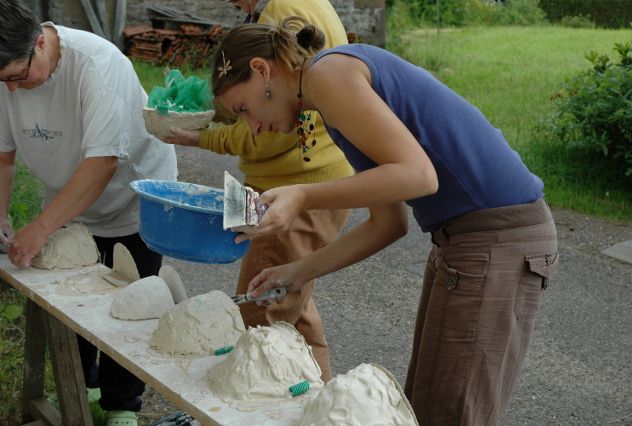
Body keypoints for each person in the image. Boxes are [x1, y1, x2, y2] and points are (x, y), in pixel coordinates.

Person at [209, 17, 559, 425]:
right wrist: (297, 272)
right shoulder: (326, 94)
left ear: (261, 69)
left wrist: (302, 195)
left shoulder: (327, 73)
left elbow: (418, 175)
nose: (252, 126)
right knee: (426, 403)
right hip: (466, 237)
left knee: (447, 412)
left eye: (243, 108)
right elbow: (389, 222)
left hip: (497, 235)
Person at [0, 0, 178, 424]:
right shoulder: (8, 72)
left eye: (18, 78)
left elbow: (102, 163)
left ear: (40, 43)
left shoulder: (96, 65)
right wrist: (2, 216)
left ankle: (122, 407)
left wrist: (41, 227)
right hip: (69, 201)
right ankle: (81, 388)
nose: (12, 89)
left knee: (128, 304)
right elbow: (2, 156)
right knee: (71, 304)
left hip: (130, 196)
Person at [162, 0, 352, 383]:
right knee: (293, 304)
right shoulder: (293, 6)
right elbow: (263, 115)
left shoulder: (280, 12)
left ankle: (269, 405)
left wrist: (204, 139)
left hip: (293, 183)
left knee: (260, 316)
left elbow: (270, 131)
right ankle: (321, 401)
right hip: (296, 179)